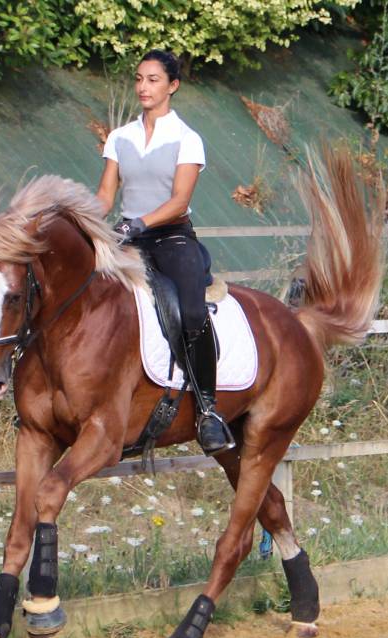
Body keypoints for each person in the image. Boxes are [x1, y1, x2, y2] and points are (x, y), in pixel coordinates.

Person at [96, 49, 234, 455]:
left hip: (171, 238)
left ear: (172, 86)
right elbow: (105, 196)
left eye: (153, 80)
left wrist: (141, 222)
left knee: (191, 312)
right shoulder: (119, 137)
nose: (143, 87)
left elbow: (178, 201)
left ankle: (208, 409)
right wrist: (82, 218)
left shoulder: (187, 139)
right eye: (139, 79)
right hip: (128, 240)